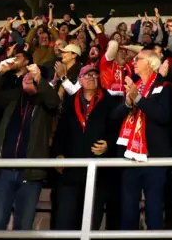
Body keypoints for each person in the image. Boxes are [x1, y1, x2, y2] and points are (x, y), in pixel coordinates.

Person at [0, 55, 60, 230]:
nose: (27, 76)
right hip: (3, 170)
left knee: (24, 226)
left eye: (32, 75)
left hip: (30, 173)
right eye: (26, 74)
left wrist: (40, 81)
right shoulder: (13, 97)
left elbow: (54, 101)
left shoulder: (45, 103)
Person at [52, 65, 120, 230]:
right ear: (80, 80)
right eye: (87, 75)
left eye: (95, 75)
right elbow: (61, 130)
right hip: (71, 169)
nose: (91, 78)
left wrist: (109, 145)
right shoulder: (70, 101)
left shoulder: (109, 101)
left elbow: (118, 129)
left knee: (91, 221)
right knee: (66, 219)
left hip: (99, 170)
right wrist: (58, 153)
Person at [114, 50, 172, 230]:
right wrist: (127, 103)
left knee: (154, 209)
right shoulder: (135, 85)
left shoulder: (164, 86)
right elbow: (113, 117)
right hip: (130, 156)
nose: (133, 61)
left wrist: (138, 99)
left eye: (138, 59)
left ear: (150, 63)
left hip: (154, 156)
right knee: (128, 210)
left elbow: (163, 115)